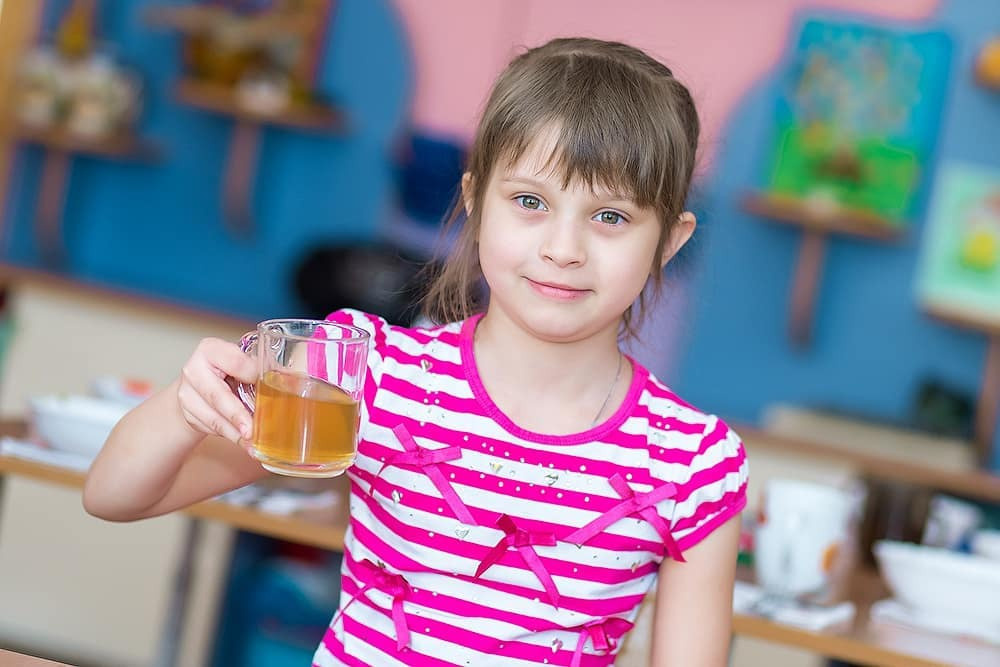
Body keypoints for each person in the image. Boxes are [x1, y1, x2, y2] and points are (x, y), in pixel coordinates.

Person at [84, 37, 748, 666]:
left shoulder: (694, 462)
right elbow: (113, 496)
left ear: (669, 239)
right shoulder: (370, 374)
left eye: (611, 217)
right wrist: (184, 407)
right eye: (529, 201)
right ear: (475, 203)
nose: (563, 248)